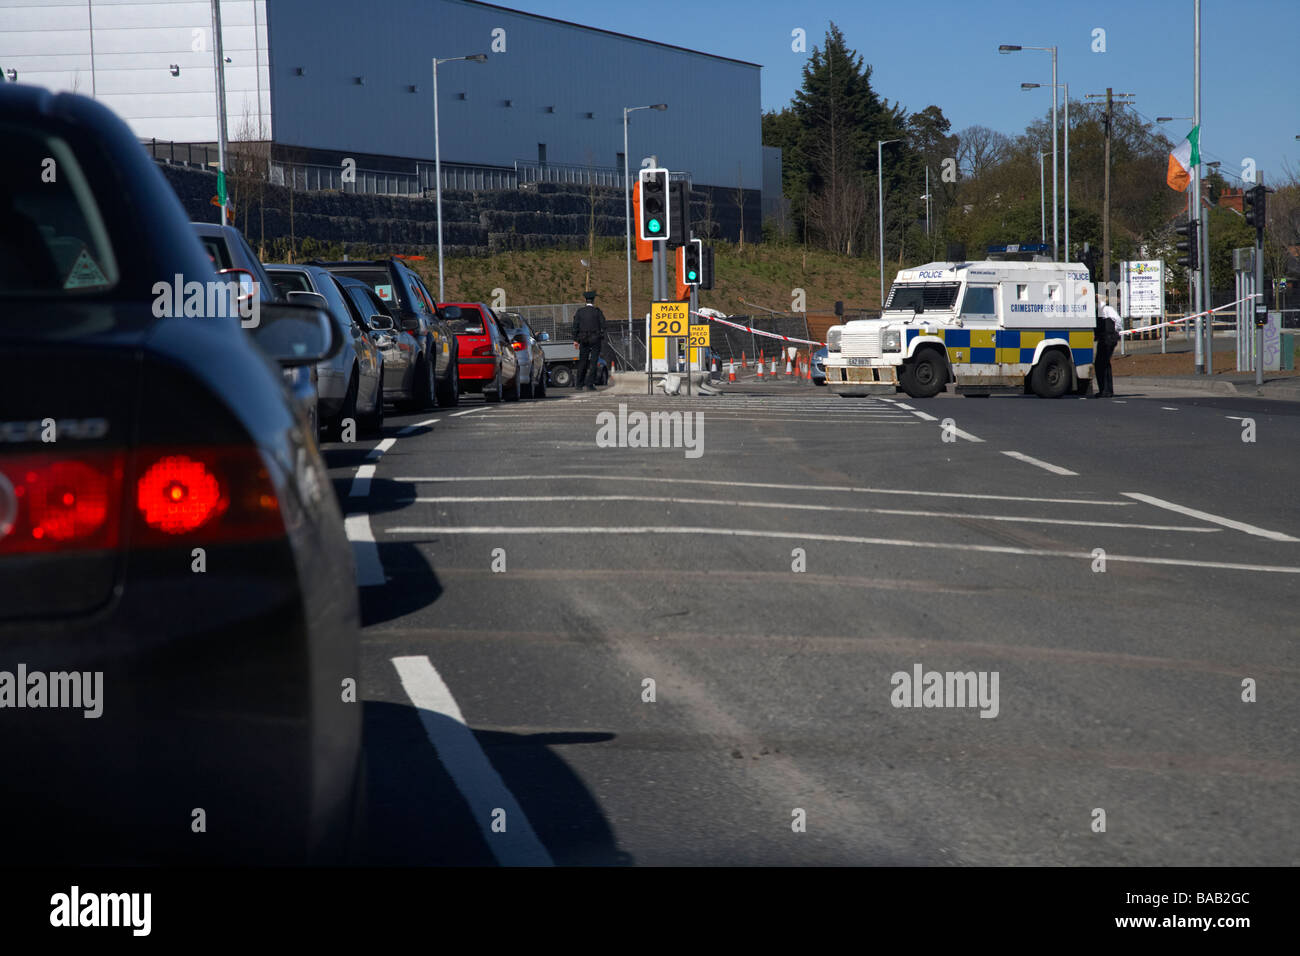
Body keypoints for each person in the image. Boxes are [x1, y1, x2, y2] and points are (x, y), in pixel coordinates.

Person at [571, 289, 607, 391]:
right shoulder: (597, 311)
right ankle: (590, 384)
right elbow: (604, 325)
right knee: (594, 362)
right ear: (593, 300)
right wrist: (601, 335)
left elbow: (575, 326)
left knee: (582, 361)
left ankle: (579, 384)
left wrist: (576, 339)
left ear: (585, 300)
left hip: (583, 339)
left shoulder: (580, 312)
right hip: (595, 339)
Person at [1091, 294, 1122, 398]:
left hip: (1108, 339)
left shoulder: (1107, 309)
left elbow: (1118, 320)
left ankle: (1106, 390)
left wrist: (1115, 332)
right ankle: (1106, 390)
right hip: (1104, 339)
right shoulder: (1100, 310)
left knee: (1101, 363)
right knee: (1103, 363)